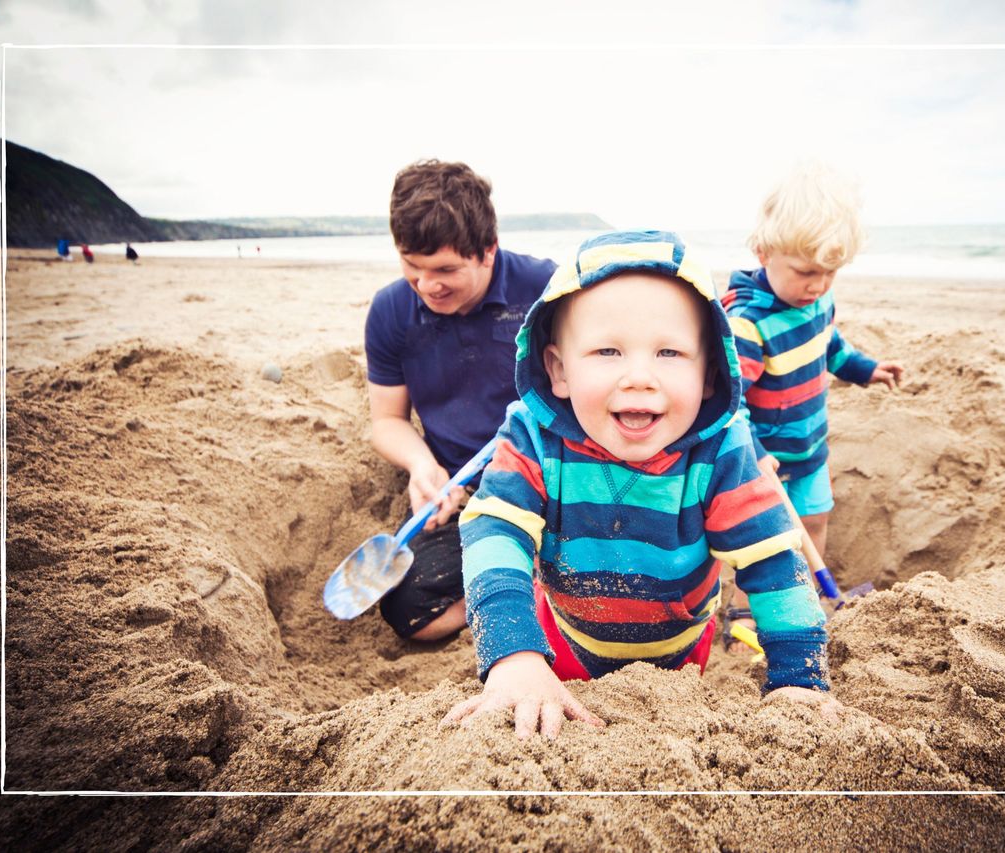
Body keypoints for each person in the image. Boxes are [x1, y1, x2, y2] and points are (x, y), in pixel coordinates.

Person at [441, 230, 840, 740]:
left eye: (669, 353)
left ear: (711, 375)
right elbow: (493, 532)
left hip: (678, 654)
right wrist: (515, 658)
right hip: (563, 637)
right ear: (559, 370)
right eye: (608, 351)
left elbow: (773, 561)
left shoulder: (721, 450)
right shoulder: (534, 437)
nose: (639, 378)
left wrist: (798, 675)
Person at [364, 160, 556, 643]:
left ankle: (533, 584)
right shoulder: (390, 311)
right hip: (463, 489)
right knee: (411, 612)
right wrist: (421, 465)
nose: (428, 286)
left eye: (446, 269)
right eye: (413, 267)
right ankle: (530, 588)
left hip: (556, 478)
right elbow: (387, 420)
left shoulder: (546, 290)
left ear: (488, 250)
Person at [721, 162, 904, 649]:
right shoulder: (747, 323)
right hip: (762, 462)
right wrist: (754, 453)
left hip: (811, 448)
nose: (818, 285)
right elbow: (729, 402)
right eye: (805, 272)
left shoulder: (818, 301)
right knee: (762, 542)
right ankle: (745, 617)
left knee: (814, 522)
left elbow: (831, 345)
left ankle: (807, 600)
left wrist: (865, 370)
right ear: (763, 253)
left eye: (830, 273)